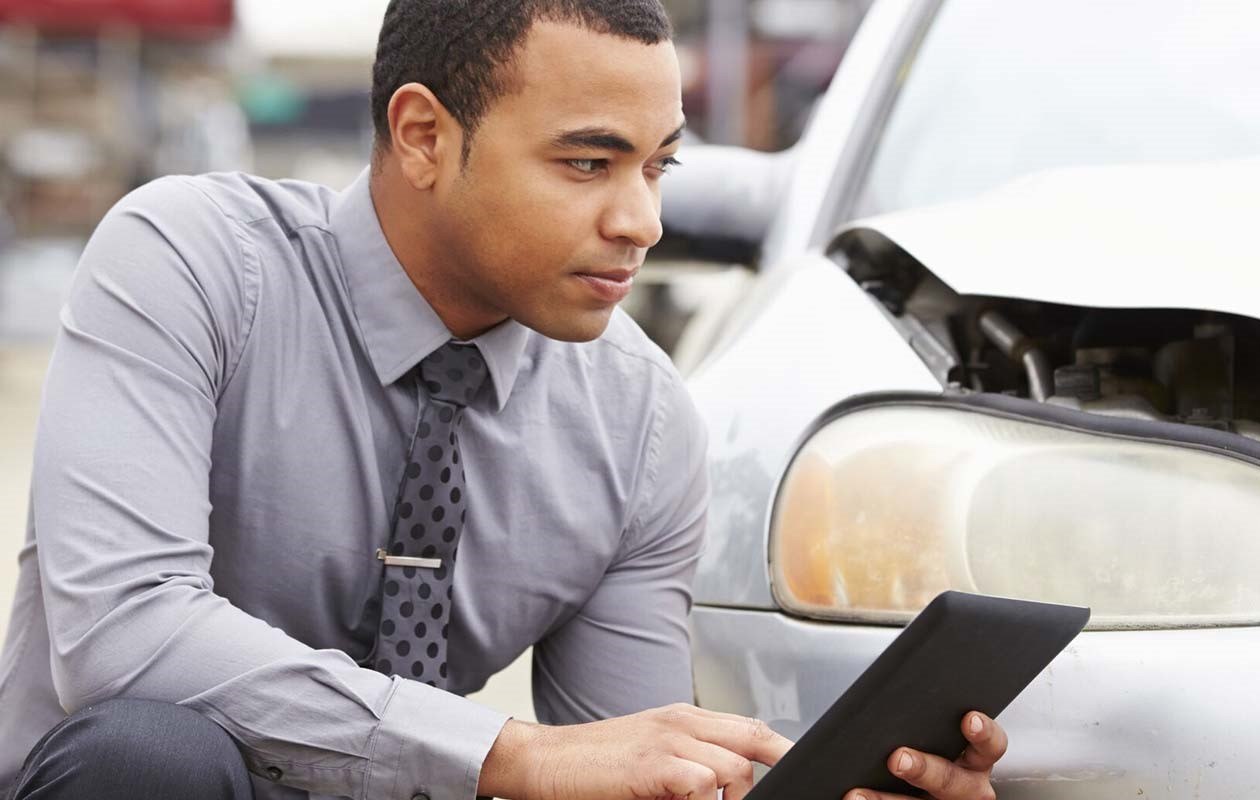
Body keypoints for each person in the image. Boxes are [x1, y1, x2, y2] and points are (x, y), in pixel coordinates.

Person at [0, 2, 1007, 799]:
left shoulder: (640, 420)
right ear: (424, 136)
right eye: (588, 162)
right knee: (150, 755)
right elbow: (122, 639)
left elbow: (627, 772)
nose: (641, 219)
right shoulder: (190, 262)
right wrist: (508, 753)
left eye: (659, 166)